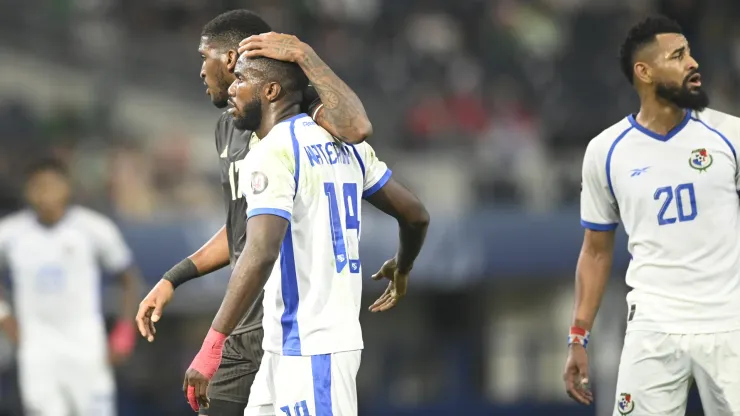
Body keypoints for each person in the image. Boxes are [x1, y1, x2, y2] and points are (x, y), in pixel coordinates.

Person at [134, 9, 374, 416]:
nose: (200, 71)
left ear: (229, 60)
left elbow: (357, 127)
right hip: (245, 327)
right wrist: (174, 277)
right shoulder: (228, 128)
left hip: (288, 323)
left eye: (203, 57)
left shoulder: (295, 114)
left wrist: (304, 55)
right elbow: (243, 230)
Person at [181, 52, 429, 415]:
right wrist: (403, 265)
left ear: (270, 90)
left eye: (241, 81)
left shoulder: (272, 153)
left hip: (315, 350)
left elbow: (261, 250)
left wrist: (213, 344)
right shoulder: (349, 146)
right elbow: (416, 215)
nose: (231, 89)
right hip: (283, 350)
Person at [563, 15, 740, 415]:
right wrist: (578, 337)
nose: (693, 63)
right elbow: (595, 251)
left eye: (690, 52)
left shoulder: (730, 135)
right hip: (653, 328)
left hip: (730, 324)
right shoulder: (606, 152)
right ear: (644, 72)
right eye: (678, 56)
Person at [0, 158, 141, 416]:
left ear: (66, 187)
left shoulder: (93, 228)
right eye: (37, 187)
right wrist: (5, 317)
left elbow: (128, 278)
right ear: (27, 191)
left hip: (86, 347)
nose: (45, 194)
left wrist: (124, 332)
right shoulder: (10, 233)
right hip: (38, 350)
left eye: (51, 186)